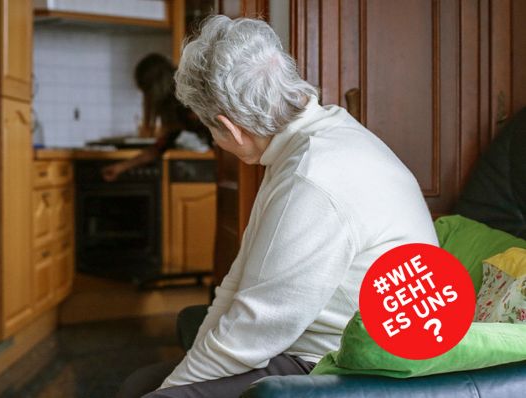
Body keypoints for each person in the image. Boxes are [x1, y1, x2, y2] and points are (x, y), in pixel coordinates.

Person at [117, 15, 438, 398]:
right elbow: (239, 282)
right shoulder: (309, 137)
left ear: (230, 128)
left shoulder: (313, 176)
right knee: (141, 385)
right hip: (310, 343)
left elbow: (254, 331)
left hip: (347, 362)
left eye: (211, 132)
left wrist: (172, 390)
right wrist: (187, 370)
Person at [101, 53, 210, 182]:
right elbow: (161, 146)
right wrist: (121, 167)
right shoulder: (176, 103)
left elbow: (162, 145)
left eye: (146, 92)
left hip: (209, 165)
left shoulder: (184, 102)